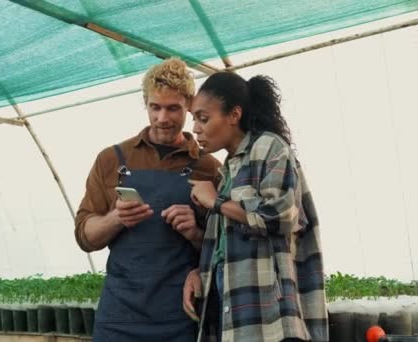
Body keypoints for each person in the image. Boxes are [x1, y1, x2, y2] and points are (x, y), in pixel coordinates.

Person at [75, 57, 221, 341]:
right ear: (145, 102)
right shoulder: (111, 160)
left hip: (179, 313)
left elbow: (224, 249)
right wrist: (116, 218)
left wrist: (195, 232)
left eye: (173, 108)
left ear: (189, 105)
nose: (162, 118)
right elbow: (85, 237)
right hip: (119, 314)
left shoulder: (209, 167)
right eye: (155, 107)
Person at [183, 72, 328, 341]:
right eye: (194, 119)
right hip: (237, 318)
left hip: (268, 321)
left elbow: (279, 217)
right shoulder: (229, 168)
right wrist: (199, 272)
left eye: (203, 118)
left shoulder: (268, 147)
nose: (195, 128)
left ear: (234, 115)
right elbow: (229, 246)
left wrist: (215, 201)